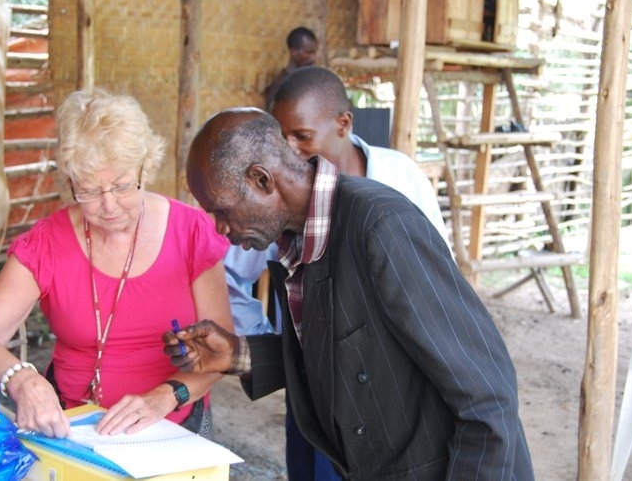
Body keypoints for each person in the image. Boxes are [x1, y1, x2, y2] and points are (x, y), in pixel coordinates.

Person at [164, 108, 535, 480]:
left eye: (222, 210)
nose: (220, 228)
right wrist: (237, 353)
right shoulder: (297, 244)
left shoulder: (382, 227)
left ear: (262, 180)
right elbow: (342, 356)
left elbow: (487, 393)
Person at [0, 89, 233, 440]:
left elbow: (224, 353)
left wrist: (164, 397)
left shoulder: (191, 232)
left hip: (172, 424)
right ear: (70, 182)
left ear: (145, 169)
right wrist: (21, 379)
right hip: (72, 427)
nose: (109, 206)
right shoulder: (47, 243)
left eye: (122, 186)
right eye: (88, 191)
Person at [224, 65, 452, 480]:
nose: (290, 151)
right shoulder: (277, 193)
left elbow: (439, 278)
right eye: (281, 138)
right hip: (318, 389)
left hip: (395, 387)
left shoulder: (399, 179)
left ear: (343, 124)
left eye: (302, 136)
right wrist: (266, 341)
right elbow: (229, 272)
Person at [263, 26, 318, 110]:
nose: (313, 58)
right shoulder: (281, 86)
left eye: (314, 53)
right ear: (293, 52)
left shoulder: (309, 81)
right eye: (308, 52)